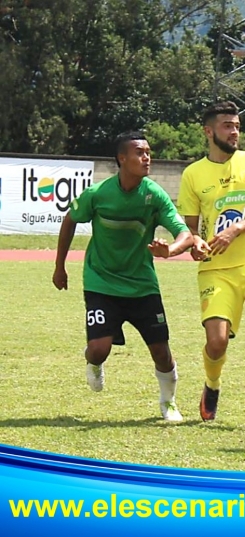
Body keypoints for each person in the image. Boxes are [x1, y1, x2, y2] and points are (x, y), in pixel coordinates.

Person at [52, 131, 194, 422]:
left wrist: (171, 250)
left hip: (142, 286)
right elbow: (69, 220)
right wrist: (59, 266)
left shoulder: (154, 195)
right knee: (98, 350)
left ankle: (169, 403)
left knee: (161, 352)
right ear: (122, 158)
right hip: (101, 282)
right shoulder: (98, 194)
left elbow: (185, 234)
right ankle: (93, 363)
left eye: (149, 152)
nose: (146, 158)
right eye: (140, 153)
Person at [176, 101, 245, 434]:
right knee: (217, 342)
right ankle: (212, 384)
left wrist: (239, 228)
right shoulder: (193, 174)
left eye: (236, 125)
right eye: (227, 126)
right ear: (209, 132)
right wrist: (194, 244)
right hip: (217, 270)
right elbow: (190, 229)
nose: (234, 131)